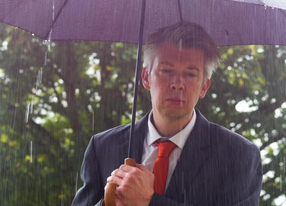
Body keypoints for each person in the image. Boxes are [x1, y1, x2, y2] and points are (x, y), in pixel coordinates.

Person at [72, 22, 262, 206]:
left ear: (204, 86)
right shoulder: (104, 146)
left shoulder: (238, 154)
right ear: (146, 77)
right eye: (166, 70)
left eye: (190, 74)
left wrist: (149, 201)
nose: (177, 83)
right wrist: (109, 203)